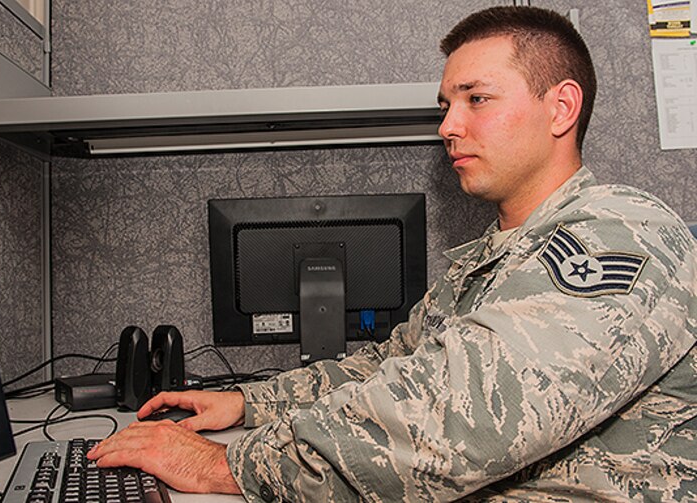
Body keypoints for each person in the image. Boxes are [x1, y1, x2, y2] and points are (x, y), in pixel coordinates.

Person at [88, 6, 697, 501]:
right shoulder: (485, 260)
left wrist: (231, 467)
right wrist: (252, 402)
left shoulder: (621, 233)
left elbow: (457, 423)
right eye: (444, 107)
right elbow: (390, 366)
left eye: (476, 100)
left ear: (561, 107)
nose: (448, 127)